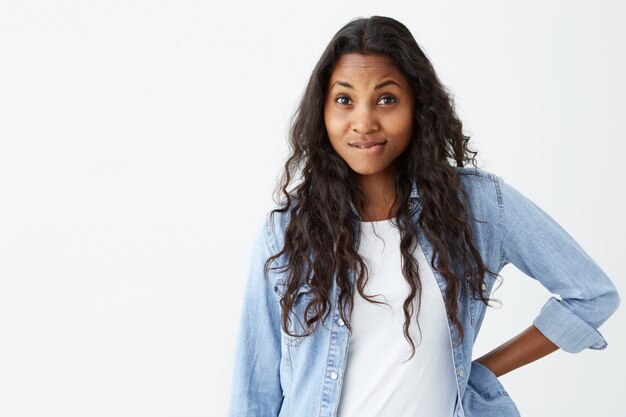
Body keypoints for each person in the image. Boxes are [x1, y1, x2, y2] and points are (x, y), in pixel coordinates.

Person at [226, 15, 620, 417]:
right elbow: (253, 392)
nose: (364, 122)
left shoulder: (475, 206)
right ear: (322, 112)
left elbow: (590, 295)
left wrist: (478, 373)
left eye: (386, 99)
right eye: (344, 100)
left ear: (418, 106)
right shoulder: (287, 232)